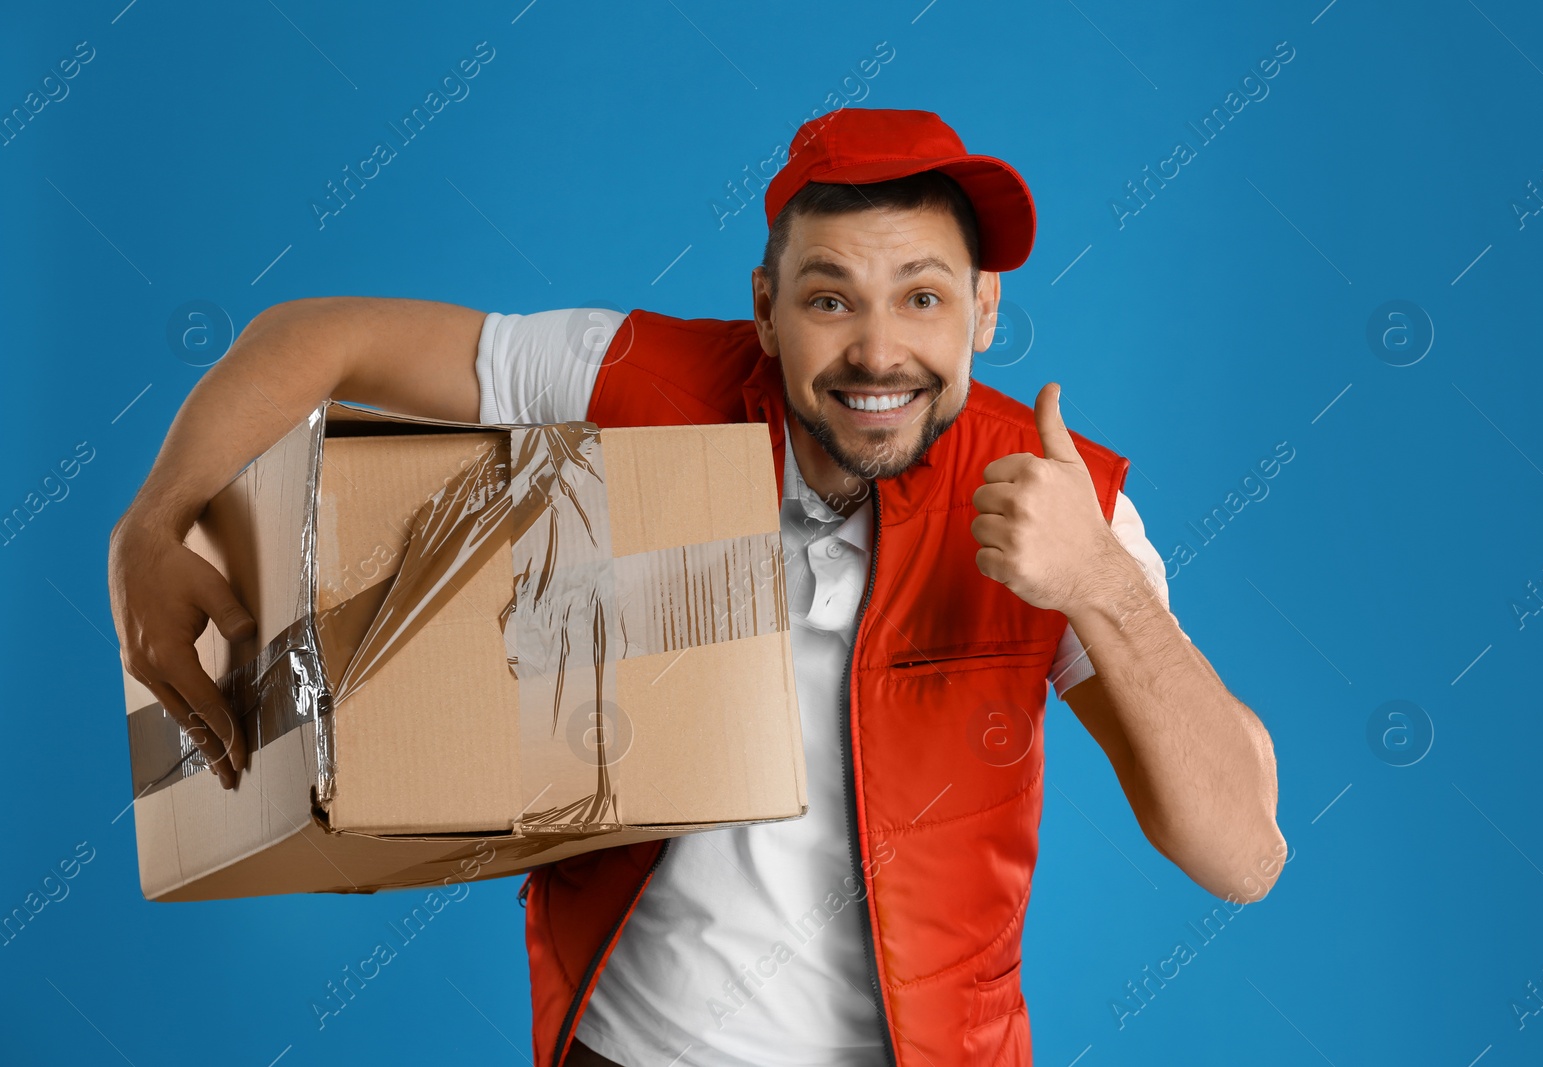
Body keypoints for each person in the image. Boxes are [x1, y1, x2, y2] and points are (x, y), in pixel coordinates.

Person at [107, 107, 1285, 1067]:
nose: (878, 351)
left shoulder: (1059, 498)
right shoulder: (636, 379)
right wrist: (152, 525)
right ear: (765, 309)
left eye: (922, 296)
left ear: (982, 309)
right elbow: (322, 335)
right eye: (830, 296)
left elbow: (1241, 852)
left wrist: (1099, 585)